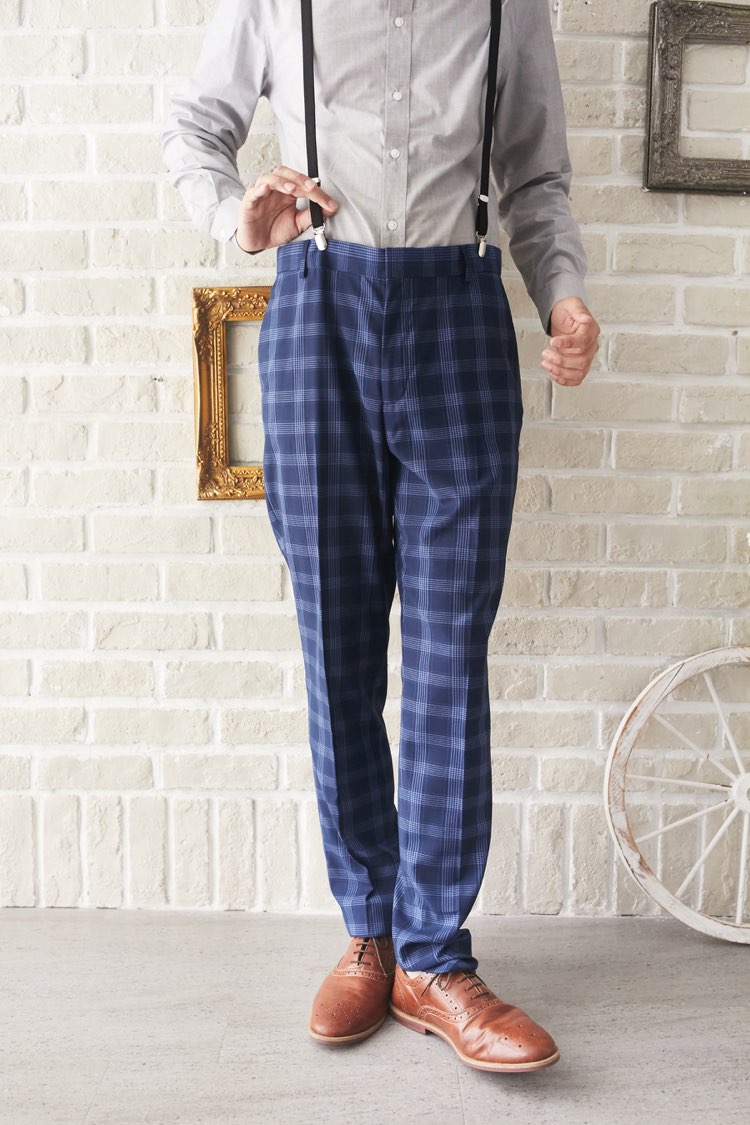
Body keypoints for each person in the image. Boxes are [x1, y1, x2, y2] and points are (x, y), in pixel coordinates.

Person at [161, 0, 600, 1075]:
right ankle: (369, 929)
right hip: (317, 314)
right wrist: (234, 217)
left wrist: (564, 296)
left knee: (449, 654)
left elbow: (537, 178)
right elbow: (195, 126)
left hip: (461, 314)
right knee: (339, 649)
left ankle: (435, 959)